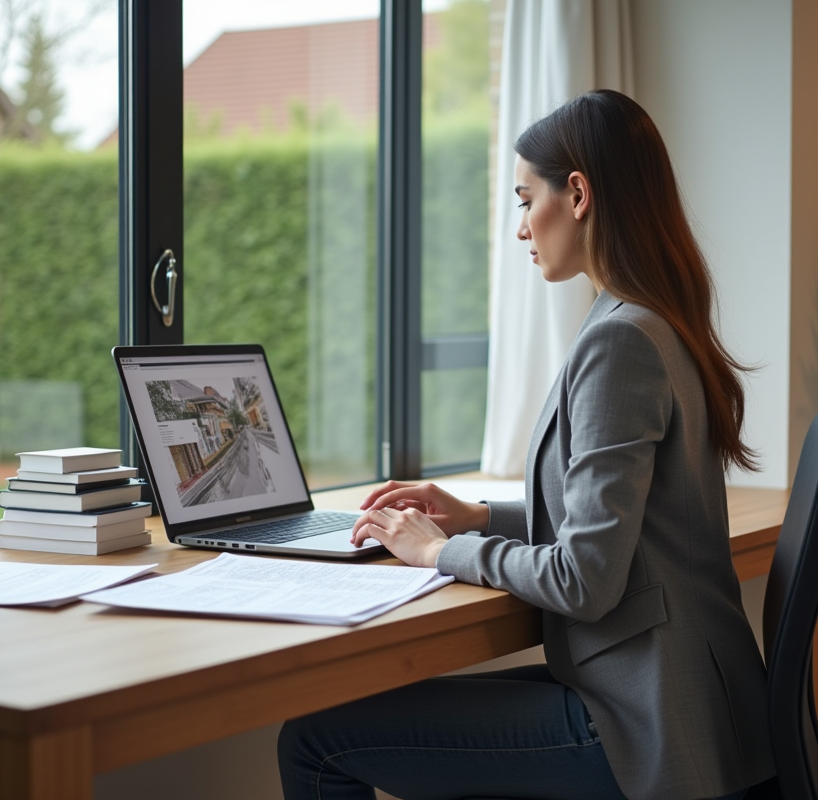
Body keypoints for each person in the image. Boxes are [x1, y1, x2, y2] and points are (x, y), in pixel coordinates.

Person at [278, 89, 776, 800]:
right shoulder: (655, 321)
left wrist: (434, 550)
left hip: (642, 727)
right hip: (687, 702)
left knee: (314, 743)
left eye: (523, 198)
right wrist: (477, 518)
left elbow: (585, 578)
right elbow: (619, 531)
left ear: (577, 194)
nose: (520, 228)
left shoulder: (621, 340)